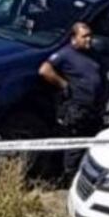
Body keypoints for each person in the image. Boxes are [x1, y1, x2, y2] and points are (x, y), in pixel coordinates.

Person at [39, 22, 103, 174]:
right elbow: (44, 70)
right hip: (76, 108)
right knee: (75, 146)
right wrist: (63, 84)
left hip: (93, 108)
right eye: (84, 37)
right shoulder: (65, 54)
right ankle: (69, 177)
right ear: (74, 38)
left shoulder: (93, 54)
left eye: (90, 36)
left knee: (91, 145)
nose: (89, 39)